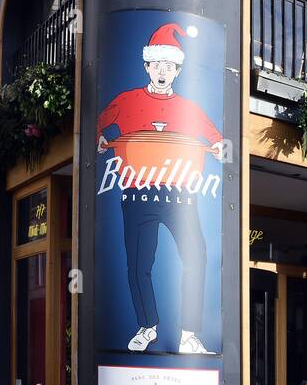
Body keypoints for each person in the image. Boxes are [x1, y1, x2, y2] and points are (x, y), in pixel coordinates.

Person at [96, 21, 229, 356]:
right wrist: (100, 136)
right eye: (157, 64)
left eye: (169, 66)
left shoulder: (188, 107)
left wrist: (219, 147)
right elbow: (98, 121)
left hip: (179, 193)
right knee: (138, 264)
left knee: (196, 257)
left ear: (178, 70)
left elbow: (217, 138)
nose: (162, 71)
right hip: (137, 192)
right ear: (146, 66)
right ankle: (147, 326)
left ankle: (188, 334)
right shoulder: (126, 100)